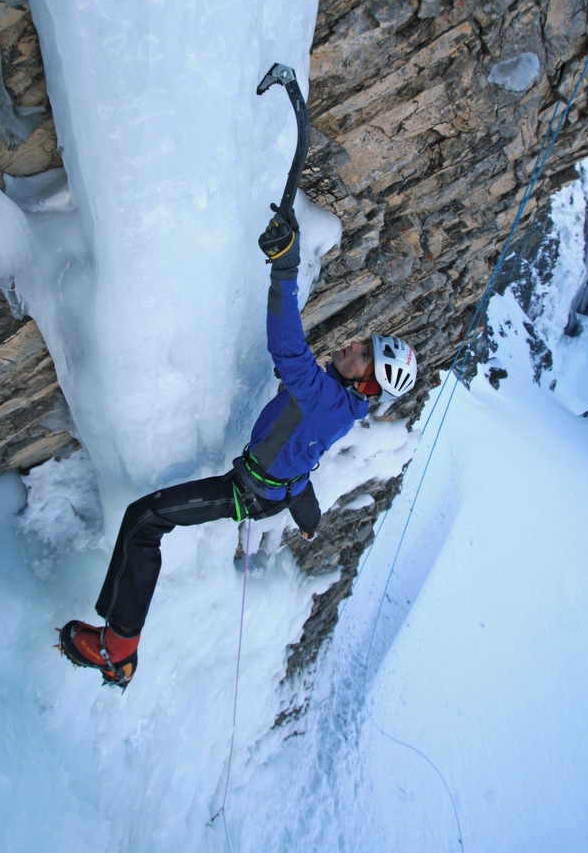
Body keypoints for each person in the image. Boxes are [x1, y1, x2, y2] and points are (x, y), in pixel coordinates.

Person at [57, 208, 417, 687]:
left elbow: (288, 350)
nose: (353, 344)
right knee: (293, 473)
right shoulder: (344, 404)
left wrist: (285, 268)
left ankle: (117, 651)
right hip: (280, 485)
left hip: (247, 491)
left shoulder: (324, 396)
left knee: (145, 521)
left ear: (368, 385)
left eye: (363, 354)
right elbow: (304, 418)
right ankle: (304, 511)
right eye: (363, 342)